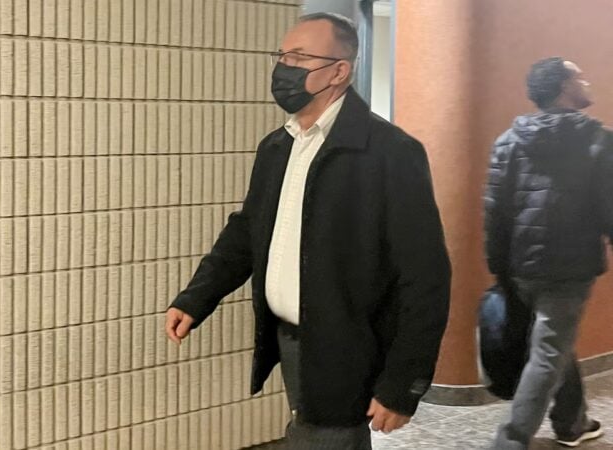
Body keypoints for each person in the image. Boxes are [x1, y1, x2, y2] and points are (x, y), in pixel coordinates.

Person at [164, 12, 451, 449]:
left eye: (299, 58)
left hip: (346, 349)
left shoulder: (389, 153)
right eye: (282, 56)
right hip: (290, 340)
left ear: (339, 71)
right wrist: (196, 297)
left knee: (324, 439)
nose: (285, 67)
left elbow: (425, 276)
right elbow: (247, 232)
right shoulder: (278, 146)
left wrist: (403, 383)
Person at [486, 57, 613, 449]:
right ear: (563, 87)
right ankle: (509, 440)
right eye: (579, 77)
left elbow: (496, 211)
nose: (586, 82)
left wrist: (500, 270)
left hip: (521, 266)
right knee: (548, 351)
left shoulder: (509, 140)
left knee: (555, 340)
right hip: (570, 267)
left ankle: (572, 423)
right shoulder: (598, 140)